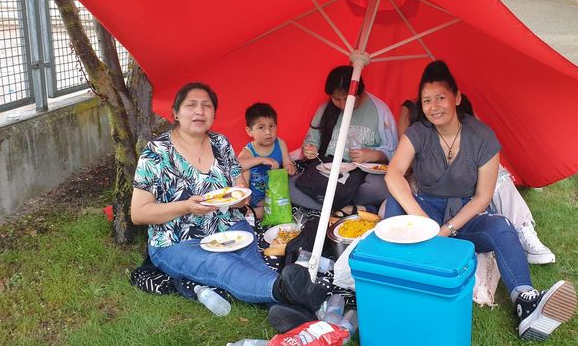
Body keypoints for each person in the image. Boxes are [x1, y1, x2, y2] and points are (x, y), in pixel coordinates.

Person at [385, 62, 577, 341]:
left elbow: (483, 196)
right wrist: (422, 220)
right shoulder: (418, 133)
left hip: (466, 213)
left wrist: (447, 229)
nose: (433, 106)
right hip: (427, 207)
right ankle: (396, 282)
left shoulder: (482, 137)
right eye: (427, 100)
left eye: (440, 97)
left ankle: (526, 301)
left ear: (457, 98)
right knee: (395, 203)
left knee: (502, 228)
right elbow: (394, 173)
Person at [130, 82, 328, 331]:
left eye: (207, 106)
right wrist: (186, 207)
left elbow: (239, 186)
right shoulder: (156, 152)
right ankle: (285, 292)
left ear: (214, 114)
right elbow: (138, 213)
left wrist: (241, 197)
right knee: (221, 265)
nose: (200, 111)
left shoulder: (220, 143)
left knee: (254, 261)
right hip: (176, 240)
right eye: (191, 105)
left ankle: (291, 308)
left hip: (228, 226)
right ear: (176, 113)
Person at [398, 97, 556, 265]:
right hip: (424, 182)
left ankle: (524, 229)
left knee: (497, 172)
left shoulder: (458, 105)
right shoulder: (410, 110)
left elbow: (481, 141)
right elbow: (405, 162)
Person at [289, 65, 398, 213]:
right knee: (289, 188)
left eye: (347, 99)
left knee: (381, 189)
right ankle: (349, 208)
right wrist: (310, 149)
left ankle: (332, 204)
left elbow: (394, 152)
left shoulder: (380, 110)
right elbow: (311, 142)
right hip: (329, 170)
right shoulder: (325, 110)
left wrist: (373, 155)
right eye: (336, 99)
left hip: (364, 174)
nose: (342, 105)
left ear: (361, 92)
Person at [237, 102, 296, 220]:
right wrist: (261, 159)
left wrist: (290, 167)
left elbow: (287, 162)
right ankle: (249, 210)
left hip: (275, 190)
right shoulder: (248, 151)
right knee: (244, 171)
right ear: (249, 131)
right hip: (255, 197)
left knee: (293, 190)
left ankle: (259, 213)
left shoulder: (280, 143)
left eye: (272, 126)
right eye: (261, 127)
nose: (268, 132)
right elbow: (235, 166)